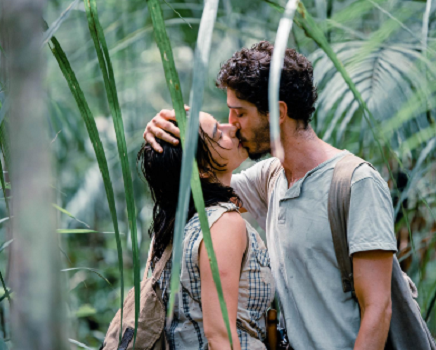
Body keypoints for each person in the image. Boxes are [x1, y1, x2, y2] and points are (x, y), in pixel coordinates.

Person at [143, 41, 397, 350]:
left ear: (277, 112)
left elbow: (378, 309)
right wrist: (165, 134)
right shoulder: (271, 178)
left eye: (239, 113)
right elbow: (196, 186)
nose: (232, 126)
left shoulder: (356, 183)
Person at [138, 112, 275, 350]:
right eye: (218, 133)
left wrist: (168, 119)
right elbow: (220, 337)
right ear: (201, 168)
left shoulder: (171, 226)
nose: (231, 127)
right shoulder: (223, 223)